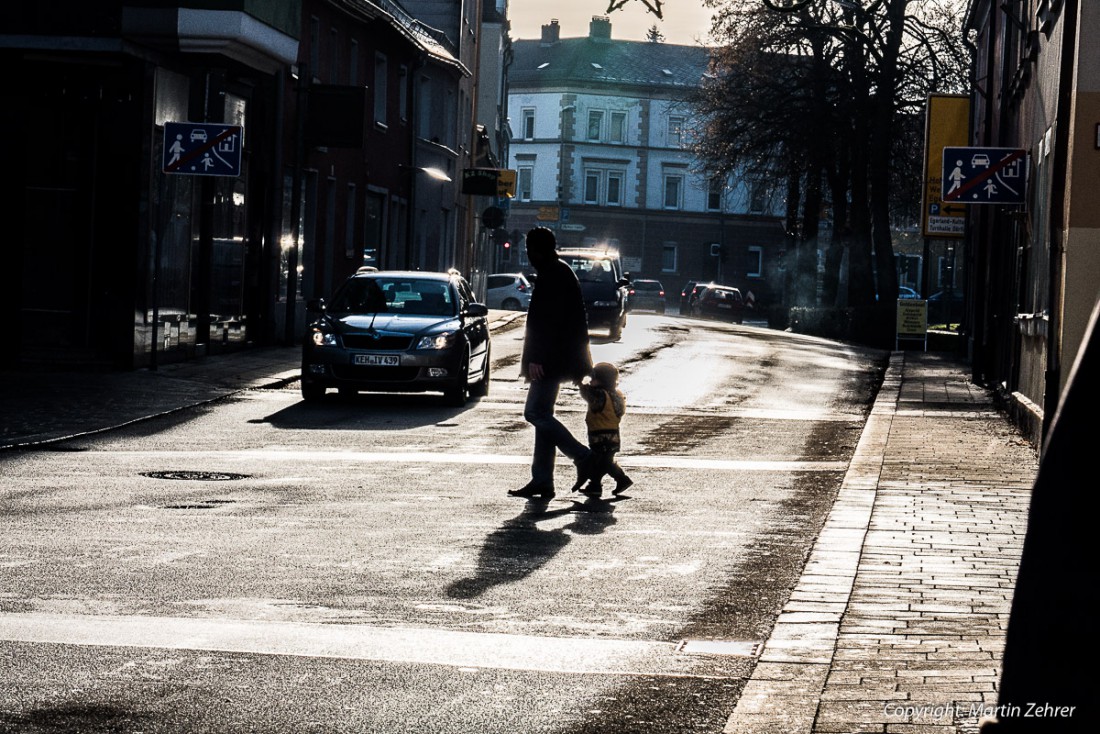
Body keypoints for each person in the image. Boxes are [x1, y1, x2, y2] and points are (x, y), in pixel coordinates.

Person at [509, 227, 593, 500]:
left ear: (538, 250)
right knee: (542, 413)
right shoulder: (557, 271)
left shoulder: (553, 275)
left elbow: (549, 323)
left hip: (551, 360)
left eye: (529, 250)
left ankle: (582, 457)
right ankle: (542, 479)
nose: (527, 255)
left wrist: (537, 358)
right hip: (560, 358)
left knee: (534, 413)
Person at [572, 362, 633, 499]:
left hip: (600, 436)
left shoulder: (599, 395)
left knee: (603, 462)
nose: (591, 381)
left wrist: (581, 385)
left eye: (593, 379)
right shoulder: (617, 394)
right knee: (603, 461)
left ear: (600, 380)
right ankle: (595, 486)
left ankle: (621, 479)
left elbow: (589, 397)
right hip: (614, 435)